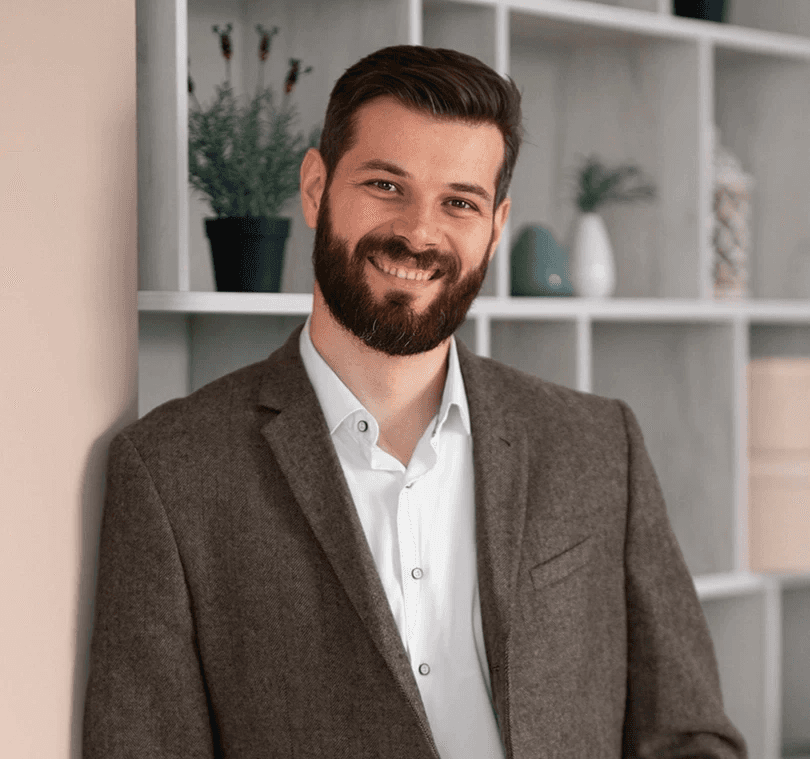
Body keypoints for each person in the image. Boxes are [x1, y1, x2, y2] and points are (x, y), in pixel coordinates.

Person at [83, 45, 748, 759]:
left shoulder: (597, 444)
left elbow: (687, 734)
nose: (419, 232)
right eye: (386, 185)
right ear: (315, 188)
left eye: (459, 202)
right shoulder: (171, 471)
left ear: (495, 227)